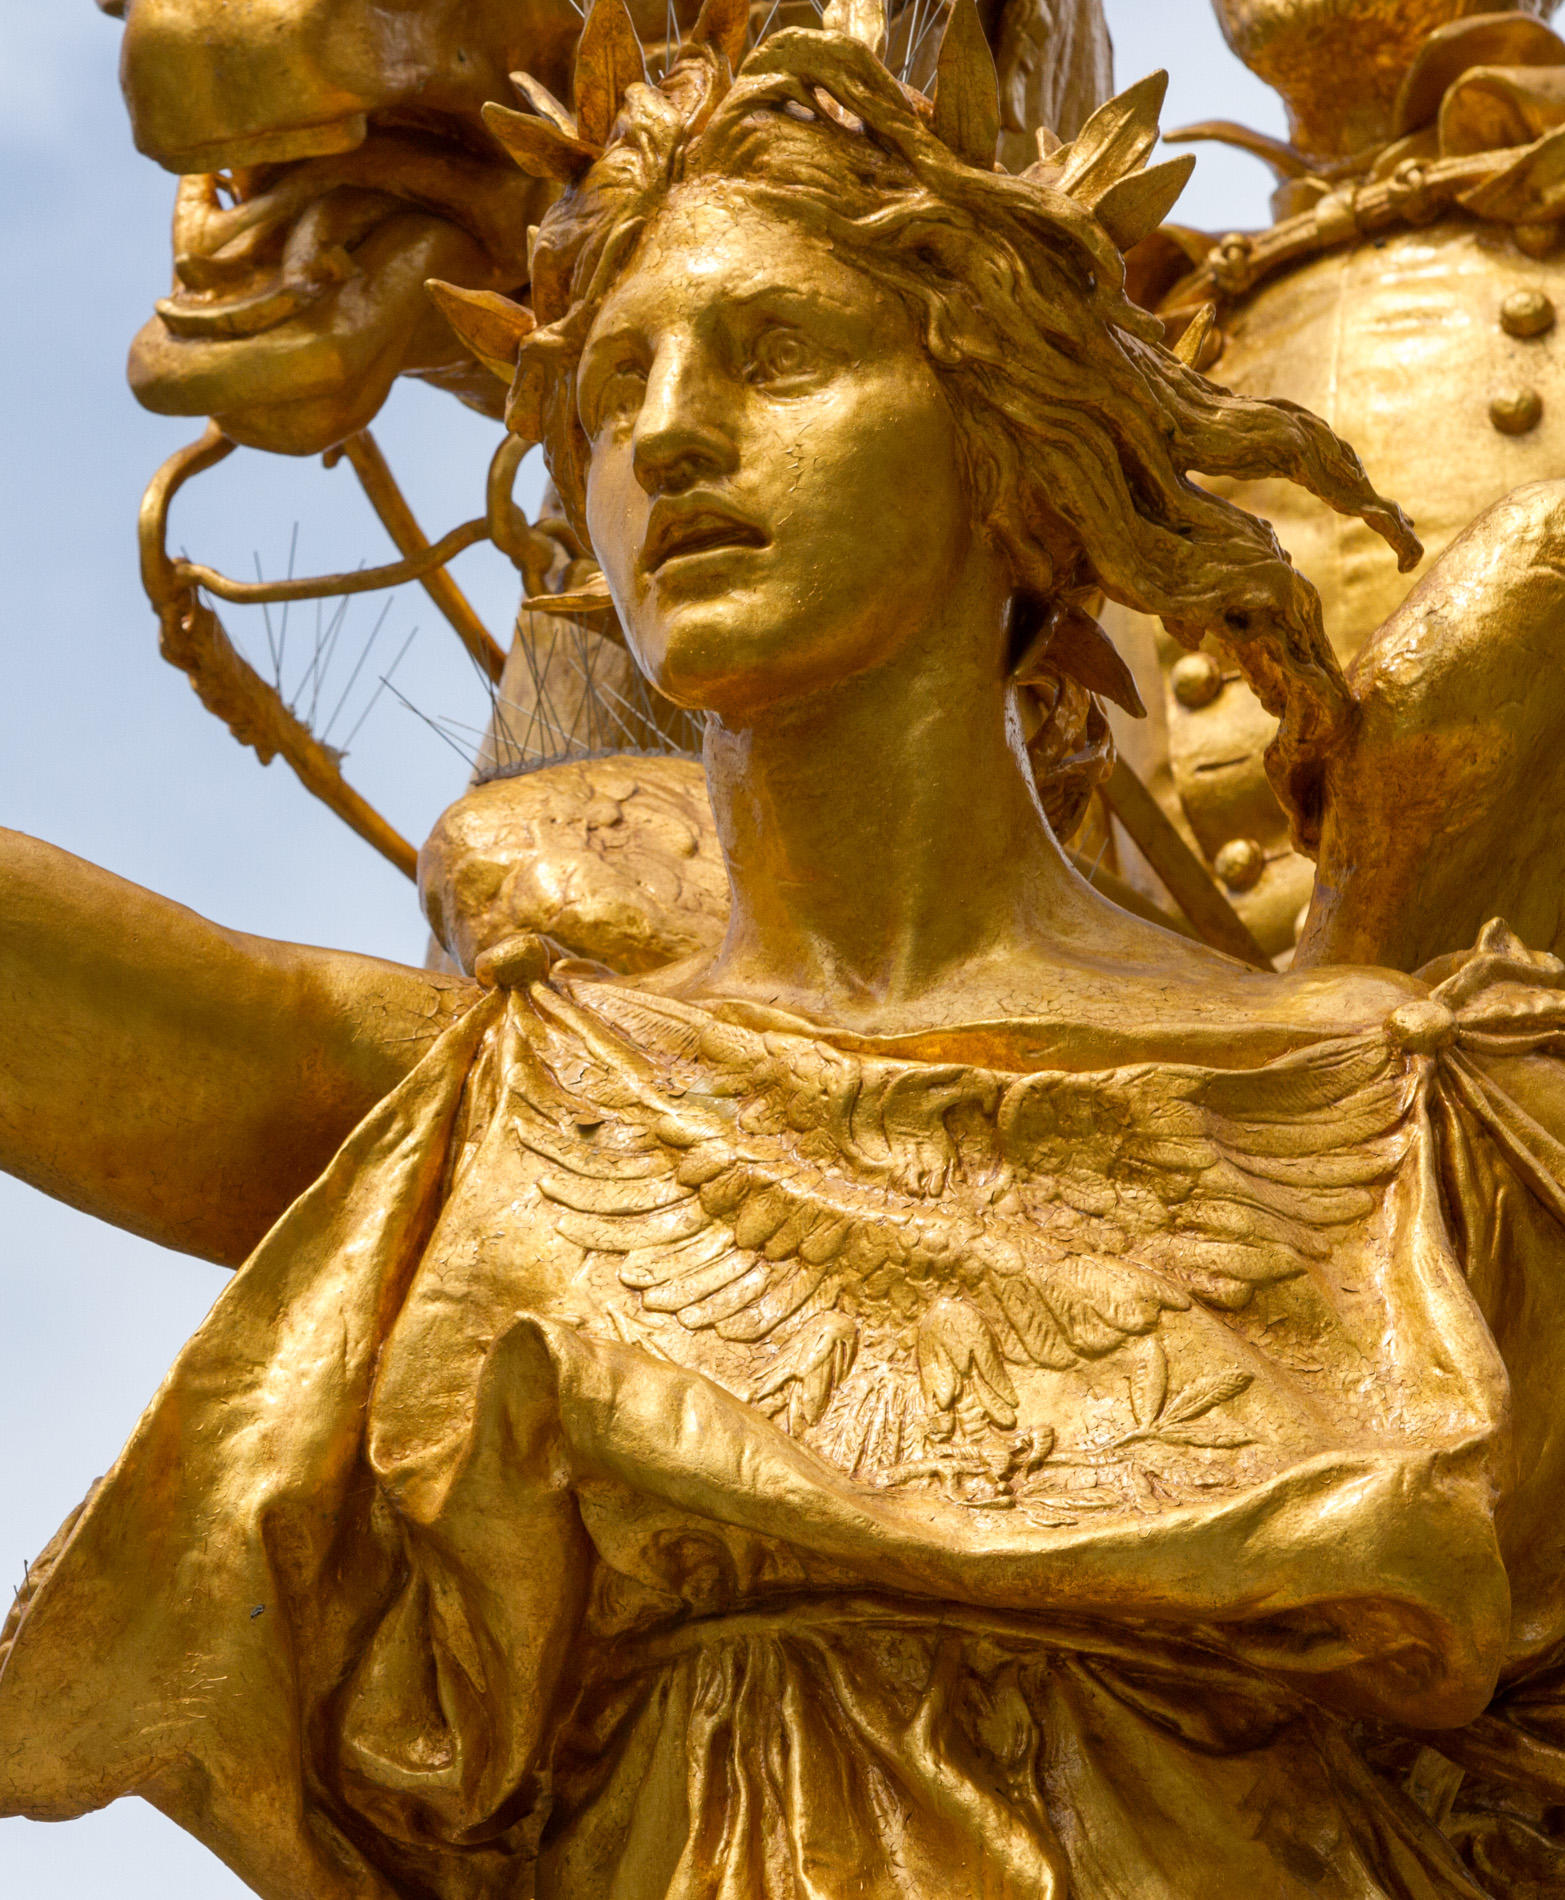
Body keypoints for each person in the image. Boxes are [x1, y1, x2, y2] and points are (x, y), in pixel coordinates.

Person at [4, 4, 1565, 1892]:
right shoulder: (517, 1100)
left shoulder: (1416, 1129)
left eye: (777, 352)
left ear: (1012, 439)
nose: (667, 434)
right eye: (613, 392)